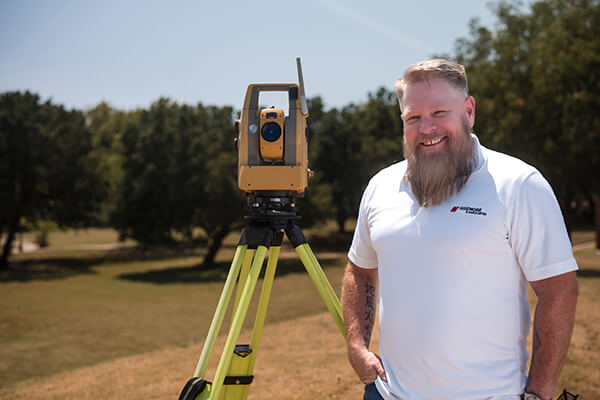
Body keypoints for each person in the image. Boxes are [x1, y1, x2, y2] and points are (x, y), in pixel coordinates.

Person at [342, 59, 579, 400]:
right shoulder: (381, 186)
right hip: (389, 395)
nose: (426, 128)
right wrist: (356, 345)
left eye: (439, 112)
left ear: (468, 111)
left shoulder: (519, 184)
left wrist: (539, 392)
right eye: (413, 117)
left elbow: (559, 290)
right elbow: (360, 271)